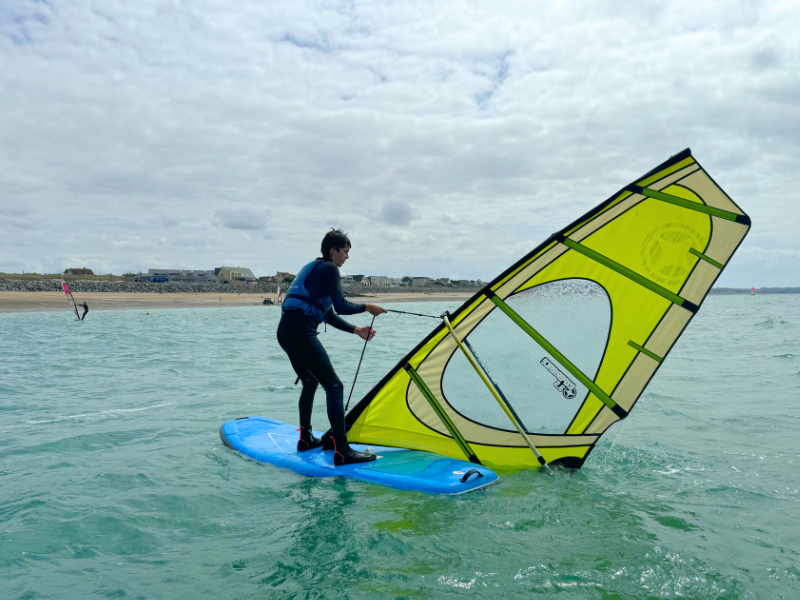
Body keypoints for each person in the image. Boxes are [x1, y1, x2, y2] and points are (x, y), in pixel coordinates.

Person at [277, 229, 387, 465]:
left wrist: (356, 330)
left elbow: (327, 314)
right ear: (333, 251)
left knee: (310, 381)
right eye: (345, 251)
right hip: (301, 332)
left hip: (286, 332)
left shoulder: (314, 269)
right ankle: (342, 451)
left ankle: (305, 439)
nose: (347, 257)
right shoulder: (329, 268)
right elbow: (341, 305)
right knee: (334, 386)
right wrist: (368, 306)